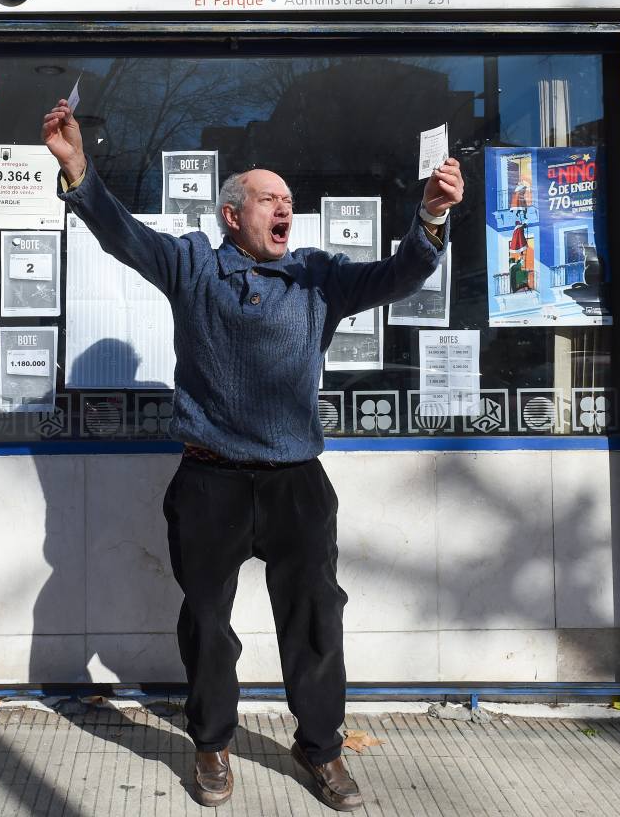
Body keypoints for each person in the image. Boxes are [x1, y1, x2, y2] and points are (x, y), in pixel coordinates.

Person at [41, 99, 464, 811]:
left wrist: (429, 220)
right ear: (232, 214)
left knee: (315, 621)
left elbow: (398, 276)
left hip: (297, 482)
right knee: (207, 622)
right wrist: (79, 170)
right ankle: (211, 743)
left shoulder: (317, 279)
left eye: (290, 202)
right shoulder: (193, 267)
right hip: (210, 481)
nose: (286, 210)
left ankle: (320, 748)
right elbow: (124, 236)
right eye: (271, 199)